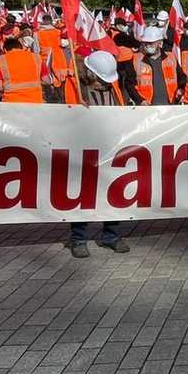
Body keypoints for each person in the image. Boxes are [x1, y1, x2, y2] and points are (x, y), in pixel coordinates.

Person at [65, 51, 130, 257]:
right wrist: (75, 109)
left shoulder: (114, 89)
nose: (105, 84)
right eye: (102, 79)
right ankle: (78, 238)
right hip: (83, 151)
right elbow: (60, 116)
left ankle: (110, 235)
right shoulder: (75, 87)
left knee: (113, 194)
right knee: (82, 195)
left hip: (110, 149)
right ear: (91, 74)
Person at [126, 26, 185, 105]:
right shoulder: (136, 60)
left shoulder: (171, 57)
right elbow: (129, 84)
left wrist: (181, 89)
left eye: (151, 43)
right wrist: (140, 100)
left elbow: (182, 77)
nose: (147, 45)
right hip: (147, 107)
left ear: (159, 42)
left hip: (170, 105)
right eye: (145, 43)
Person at [0, 38, 48, 103]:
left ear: (5, 50)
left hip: (11, 101)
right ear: (20, 47)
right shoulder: (37, 58)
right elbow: (46, 80)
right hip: (35, 100)